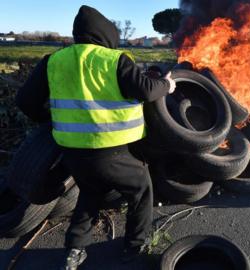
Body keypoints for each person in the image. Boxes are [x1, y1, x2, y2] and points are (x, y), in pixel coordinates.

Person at [15, 5, 176, 270]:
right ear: (107, 34)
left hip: (72, 152)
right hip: (109, 150)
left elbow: (26, 102)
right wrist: (167, 85)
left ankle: (74, 251)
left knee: (90, 192)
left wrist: (52, 118)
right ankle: (135, 246)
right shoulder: (114, 59)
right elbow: (147, 90)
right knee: (141, 189)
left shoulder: (53, 60)